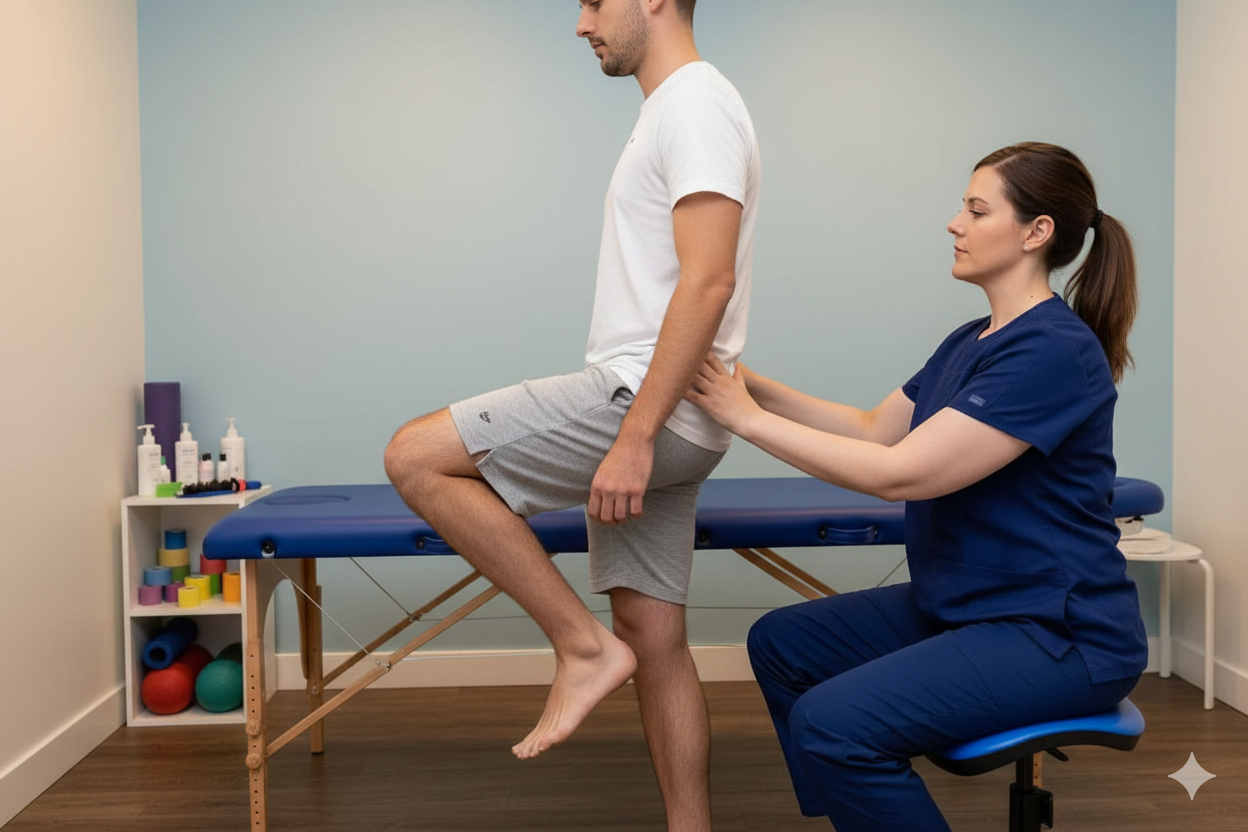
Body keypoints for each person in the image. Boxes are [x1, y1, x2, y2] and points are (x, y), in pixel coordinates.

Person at [685, 142, 1144, 832]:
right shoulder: (973, 338)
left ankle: (856, 772)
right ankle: (859, 810)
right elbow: (874, 430)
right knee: (782, 643)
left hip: (1060, 635)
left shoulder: (1053, 349)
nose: (954, 223)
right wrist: (746, 383)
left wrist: (741, 418)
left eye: (975, 208)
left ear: (1036, 232)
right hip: (970, 607)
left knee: (833, 724)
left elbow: (900, 473)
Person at [384, 1, 760, 829]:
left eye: (594, 0)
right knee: (654, 637)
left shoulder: (694, 102)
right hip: (675, 412)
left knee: (415, 456)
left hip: (644, 404)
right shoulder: (674, 108)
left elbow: (708, 280)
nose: (580, 23)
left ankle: (580, 649)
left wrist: (633, 439)